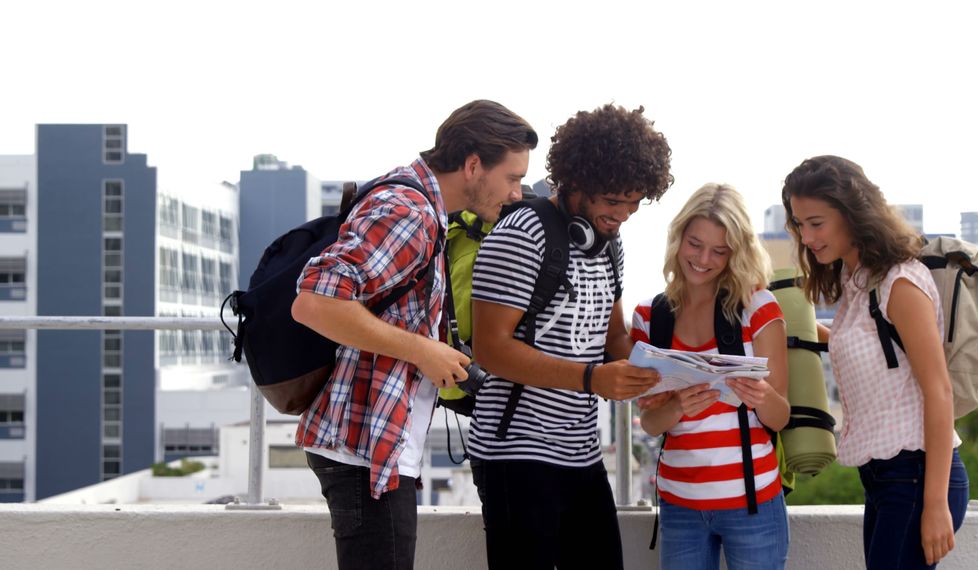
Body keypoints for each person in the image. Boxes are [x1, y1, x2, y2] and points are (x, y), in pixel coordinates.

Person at [290, 100, 538, 570]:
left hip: (373, 444)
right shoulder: (411, 212)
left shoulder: (419, 206)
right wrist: (423, 350)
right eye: (512, 177)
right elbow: (313, 302)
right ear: (472, 166)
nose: (517, 194)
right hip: (364, 448)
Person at [467, 104, 673, 569]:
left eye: (634, 202)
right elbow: (491, 349)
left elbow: (613, 337)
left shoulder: (610, 243)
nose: (622, 215)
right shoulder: (521, 233)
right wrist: (591, 380)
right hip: (515, 451)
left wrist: (667, 369)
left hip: (581, 452)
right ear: (575, 182)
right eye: (612, 201)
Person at [781, 155, 969, 569]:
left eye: (817, 222)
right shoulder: (857, 280)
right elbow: (868, 350)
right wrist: (785, 335)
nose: (807, 237)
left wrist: (935, 504)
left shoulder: (899, 282)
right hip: (886, 480)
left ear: (853, 214)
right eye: (799, 224)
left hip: (918, 478)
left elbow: (938, 391)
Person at [633, 183, 791, 570]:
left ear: (736, 252)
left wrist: (759, 395)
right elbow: (650, 423)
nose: (703, 259)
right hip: (679, 503)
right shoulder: (649, 316)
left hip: (752, 501)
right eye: (695, 244)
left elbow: (780, 416)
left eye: (719, 251)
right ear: (678, 238)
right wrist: (677, 405)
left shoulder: (757, 307)